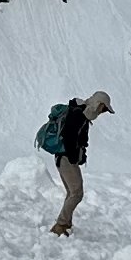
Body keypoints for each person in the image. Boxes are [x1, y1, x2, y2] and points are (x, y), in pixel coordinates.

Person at [41, 89, 113, 236]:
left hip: (63, 158)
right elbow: (70, 137)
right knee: (77, 193)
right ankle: (60, 226)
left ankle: (65, 224)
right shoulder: (78, 115)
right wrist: (75, 156)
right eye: (103, 108)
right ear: (98, 104)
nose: (102, 112)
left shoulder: (82, 113)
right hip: (66, 158)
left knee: (72, 193)